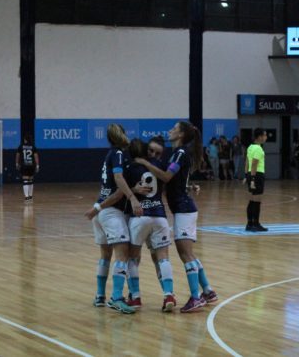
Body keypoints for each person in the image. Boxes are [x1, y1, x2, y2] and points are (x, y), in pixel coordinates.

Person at [136, 121, 218, 313]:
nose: (170, 130)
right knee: (188, 254)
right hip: (182, 208)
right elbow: (177, 181)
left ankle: (196, 298)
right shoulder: (176, 153)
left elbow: (166, 177)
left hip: (184, 209)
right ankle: (208, 291)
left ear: (180, 134)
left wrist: (145, 163)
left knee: (185, 254)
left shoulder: (180, 153)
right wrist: (189, 186)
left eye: (174, 128)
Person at [84, 124, 142, 314]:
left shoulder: (110, 154)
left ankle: (100, 296)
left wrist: (97, 208)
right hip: (111, 211)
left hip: (101, 209)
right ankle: (116, 297)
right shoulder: (118, 154)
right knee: (122, 256)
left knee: (105, 256)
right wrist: (133, 197)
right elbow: (118, 179)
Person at [125, 138, 176, 312]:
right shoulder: (161, 165)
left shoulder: (131, 167)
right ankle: (169, 294)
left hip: (139, 216)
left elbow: (122, 190)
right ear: (147, 150)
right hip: (159, 216)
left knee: (132, 258)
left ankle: (136, 297)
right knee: (163, 258)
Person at [244, 128, 268, 232]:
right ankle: (256, 224)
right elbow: (253, 163)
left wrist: (247, 176)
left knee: (252, 200)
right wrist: (253, 179)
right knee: (257, 201)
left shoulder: (250, 147)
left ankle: (250, 224)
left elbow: (247, 163)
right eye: (265, 135)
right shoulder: (258, 149)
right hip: (257, 175)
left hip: (251, 174)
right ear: (260, 137)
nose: (266, 137)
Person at [16, 134, 39, 201]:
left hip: (24, 165)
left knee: (25, 181)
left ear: (25, 139)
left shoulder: (21, 147)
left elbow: (17, 156)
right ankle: (30, 196)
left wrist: (17, 164)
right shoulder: (33, 147)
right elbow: (36, 157)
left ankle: (26, 197)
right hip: (31, 165)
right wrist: (37, 165)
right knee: (31, 180)